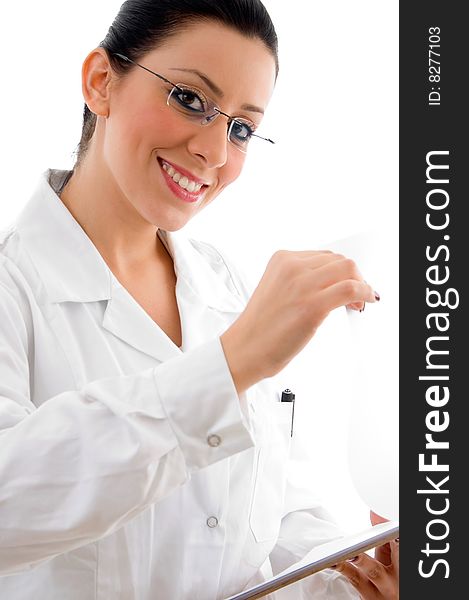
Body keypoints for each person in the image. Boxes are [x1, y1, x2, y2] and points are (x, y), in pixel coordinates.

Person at [0, 0, 398, 598]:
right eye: (190, 99)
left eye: (241, 127)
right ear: (101, 82)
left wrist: (361, 579)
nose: (214, 152)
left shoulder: (230, 291)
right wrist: (231, 364)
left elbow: (276, 529)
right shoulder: (14, 287)